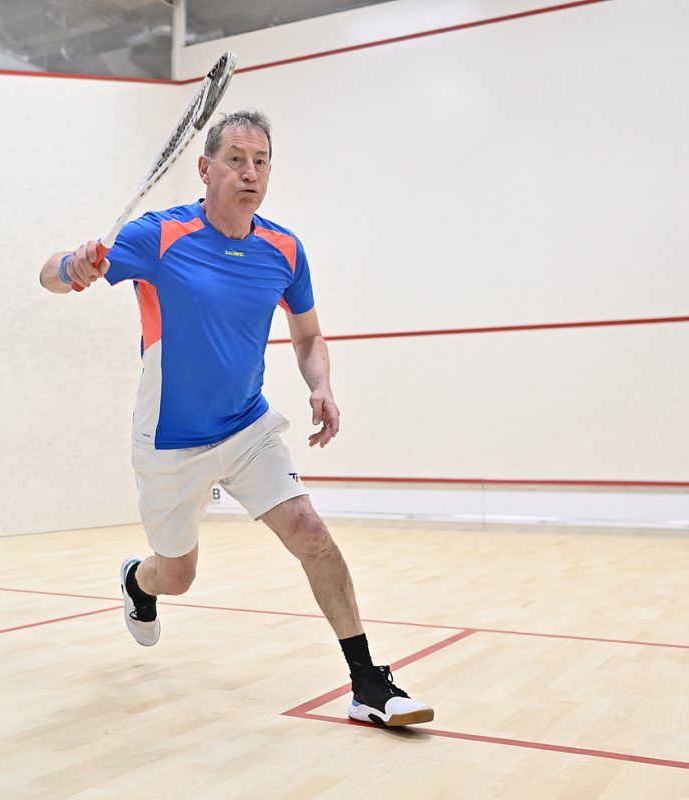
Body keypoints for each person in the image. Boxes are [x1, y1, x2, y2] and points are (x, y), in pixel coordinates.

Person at [39, 110, 433, 727]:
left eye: (261, 162)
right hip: (170, 441)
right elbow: (50, 276)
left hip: (248, 427)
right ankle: (139, 583)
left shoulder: (284, 249)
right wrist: (74, 266)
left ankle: (366, 683)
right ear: (205, 168)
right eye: (236, 160)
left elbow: (308, 335)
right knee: (177, 575)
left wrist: (321, 385)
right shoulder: (159, 236)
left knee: (312, 533)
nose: (250, 173)